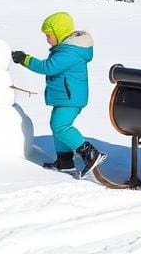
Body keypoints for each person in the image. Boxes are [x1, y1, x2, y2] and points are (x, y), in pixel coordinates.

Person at [12, 12, 105, 177]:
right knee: (57, 126)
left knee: (60, 126)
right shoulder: (65, 49)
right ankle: (65, 162)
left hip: (70, 98)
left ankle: (90, 153)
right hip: (65, 97)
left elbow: (48, 67)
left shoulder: (68, 52)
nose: (47, 39)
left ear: (59, 33)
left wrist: (25, 59)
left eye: (49, 35)